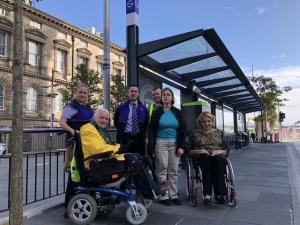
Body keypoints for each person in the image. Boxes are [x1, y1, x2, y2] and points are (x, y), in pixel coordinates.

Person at [75, 107, 159, 199]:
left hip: (101, 160)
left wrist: (120, 147)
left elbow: (104, 146)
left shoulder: (100, 129)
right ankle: (148, 191)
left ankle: (152, 187)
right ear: (95, 117)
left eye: (106, 119)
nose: (104, 121)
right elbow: (98, 149)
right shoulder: (88, 129)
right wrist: (119, 148)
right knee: (133, 160)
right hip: (95, 165)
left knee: (138, 157)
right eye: (101, 118)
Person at [148, 87, 187, 206]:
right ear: (162, 98)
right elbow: (151, 131)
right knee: (162, 169)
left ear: (172, 98)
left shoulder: (177, 112)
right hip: (160, 143)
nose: (165, 96)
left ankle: (174, 195)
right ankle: (164, 195)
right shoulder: (156, 113)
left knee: (173, 170)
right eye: (164, 95)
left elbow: (183, 130)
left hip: (174, 144)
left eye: (168, 95)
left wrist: (181, 146)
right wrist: (152, 147)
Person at [59, 83, 93, 217]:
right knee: (74, 175)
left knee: (85, 173)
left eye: (85, 93)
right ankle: (68, 207)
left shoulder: (88, 108)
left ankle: (82, 203)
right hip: (74, 144)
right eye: (80, 92)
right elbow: (62, 122)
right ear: (76, 93)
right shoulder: (71, 106)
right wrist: (74, 132)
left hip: (86, 145)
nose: (83, 95)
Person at [189, 112, 228, 206]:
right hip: (201, 156)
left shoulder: (219, 132)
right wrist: (199, 151)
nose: (207, 123)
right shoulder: (194, 133)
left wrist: (220, 151)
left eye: (209, 121)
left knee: (219, 161)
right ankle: (207, 194)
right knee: (205, 160)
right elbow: (189, 150)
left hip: (217, 155)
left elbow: (226, 149)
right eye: (204, 122)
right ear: (200, 123)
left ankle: (220, 194)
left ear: (212, 121)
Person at [114, 85, 149, 156]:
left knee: (139, 160)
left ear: (138, 94)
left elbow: (146, 123)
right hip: (125, 138)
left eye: (136, 91)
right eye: (132, 91)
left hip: (139, 139)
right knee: (124, 160)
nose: (134, 93)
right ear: (128, 93)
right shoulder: (121, 107)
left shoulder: (144, 108)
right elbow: (116, 121)